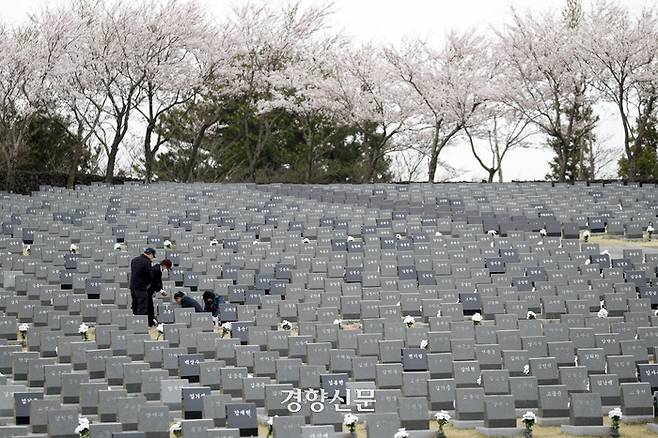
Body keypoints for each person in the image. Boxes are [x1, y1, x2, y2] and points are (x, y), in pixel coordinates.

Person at [130, 248, 156, 317]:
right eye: (153, 257)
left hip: (133, 286)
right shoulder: (147, 262)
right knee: (142, 306)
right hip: (141, 287)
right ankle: (140, 324)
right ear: (150, 254)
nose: (152, 259)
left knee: (135, 304)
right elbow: (150, 276)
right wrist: (147, 284)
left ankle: (134, 321)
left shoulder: (134, 260)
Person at [147, 259, 172, 327]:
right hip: (147, 291)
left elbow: (159, 281)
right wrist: (161, 291)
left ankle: (151, 322)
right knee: (149, 308)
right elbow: (155, 282)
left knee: (150, 307)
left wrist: (161, 289)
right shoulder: (156, 270)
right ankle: (150, 323)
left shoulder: (158, 268)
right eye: (167, 268)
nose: (166, 270)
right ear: (164, 266)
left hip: (149, 291)